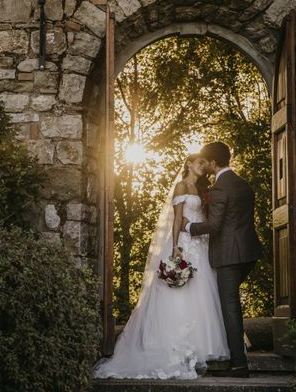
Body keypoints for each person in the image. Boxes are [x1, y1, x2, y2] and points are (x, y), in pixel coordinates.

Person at [94, 153, 229, 379]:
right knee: (179, 293)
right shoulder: (180, 186)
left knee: (203, 291)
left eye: (205, 164)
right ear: (188, 164)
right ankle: (173, 345)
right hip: (185, 243)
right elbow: (177, 219)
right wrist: (175, 246)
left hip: (201, 245)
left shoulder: (203, 189)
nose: (204, 167)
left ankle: (202, 346)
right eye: (200, 163)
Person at [183, 142, 263, 378]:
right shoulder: (242, 184)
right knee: (231, 305)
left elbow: (215, 226)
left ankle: (239, 365)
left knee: (230, 308)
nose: (205, 166)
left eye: (206, 162)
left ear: (213, 163)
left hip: (229, 256)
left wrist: (188, 226)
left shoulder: (219, 189)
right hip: (249, 254)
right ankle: (237, 357)